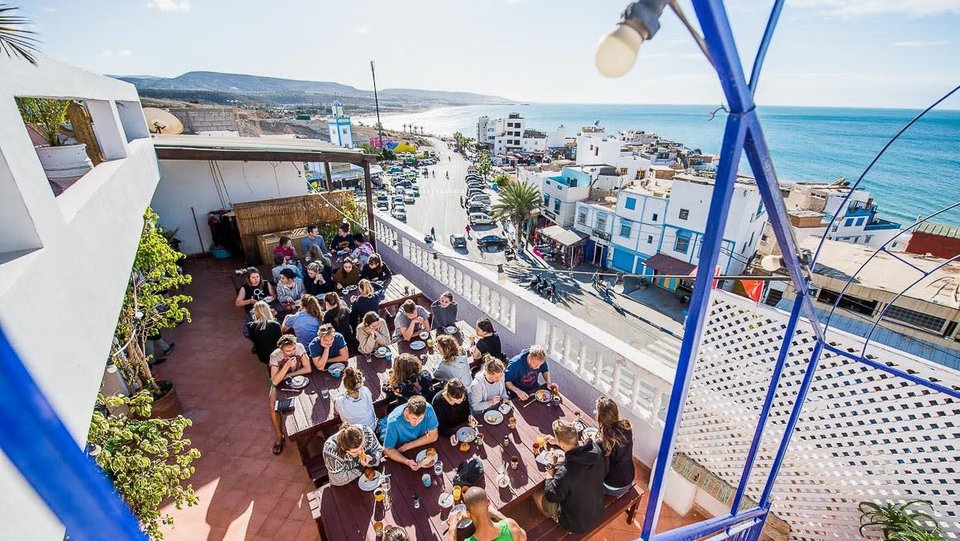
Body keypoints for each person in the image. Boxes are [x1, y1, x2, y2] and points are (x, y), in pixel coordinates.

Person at [534, 419, 605, 533]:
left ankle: (554, 522)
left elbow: (550, 495)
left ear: (561, 443)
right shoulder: (595, 450)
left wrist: (551, 467)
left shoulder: (566, 472)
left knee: (538, 495)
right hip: (597, 510)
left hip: (576, 524)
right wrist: (558, 442)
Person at [269, 335, 313, 454]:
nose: (292, 352)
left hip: (296, 378)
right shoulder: (275, 356)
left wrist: (290, 375)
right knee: (273, 407)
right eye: (288, 351)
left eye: (293, 349)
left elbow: (308, 368)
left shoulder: (299, 347)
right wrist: (286, 367)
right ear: (281, 349)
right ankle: (279, 436)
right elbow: (274, 381)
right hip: (279, 382)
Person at [380, 395, 439, 470]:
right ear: (407, 411)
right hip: (400, 451)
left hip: (417, 444)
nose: (416, 422)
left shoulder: (428, 409)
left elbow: (433, 436)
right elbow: (388, 449)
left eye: (421, 418)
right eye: (413, 418)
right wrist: (407, 462)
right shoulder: (393, 421)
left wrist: (407, 446)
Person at [448, 487, 527, 541]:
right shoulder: (510, 525)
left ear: (468, 513)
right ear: (488, 502)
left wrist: (452, 527)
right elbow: (523, 537)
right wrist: (496, 514)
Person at [596, 396, 635, 497]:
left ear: (599, 417)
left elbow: (603, 471)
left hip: (613, 486)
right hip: (629, 478)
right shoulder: (626, 427)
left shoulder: (602, 442)